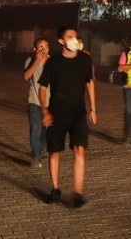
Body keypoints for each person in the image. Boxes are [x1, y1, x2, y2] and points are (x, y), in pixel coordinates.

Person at [39, 26, 97, 208]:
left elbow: (89, 83)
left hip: (78, 112)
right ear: (61, 41)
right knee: (55, 151)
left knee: (80, 149)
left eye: (76, 36)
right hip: (57, 112)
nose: (74, 39)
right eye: (70, 37)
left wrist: (93, 108)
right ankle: (55, 189)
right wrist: (44, 111)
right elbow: (42, 87)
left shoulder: (85, 60)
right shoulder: (54, 62)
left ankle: (77, 192)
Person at [23, 38, 50, 168]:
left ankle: (42, 148)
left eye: (46, 46)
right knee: (35, 128)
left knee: (48, 131)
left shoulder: (53, 61)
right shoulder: (30, 61)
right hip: (34, 101)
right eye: (40, 47)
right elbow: (26, 76)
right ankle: (35, 156)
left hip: (51, 102)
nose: (43, 49)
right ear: (35, 49)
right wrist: (37, 61)